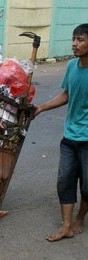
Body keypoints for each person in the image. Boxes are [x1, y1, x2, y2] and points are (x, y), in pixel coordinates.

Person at [34, 23, 88, 242]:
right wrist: (41, 107)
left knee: (87, 185)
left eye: (81, 39)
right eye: (74, 39)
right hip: (70, 136)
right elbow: (66, 94)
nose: (75, 44)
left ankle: (80, 218)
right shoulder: (72, 66)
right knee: (65, 181)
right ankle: (66, 226)